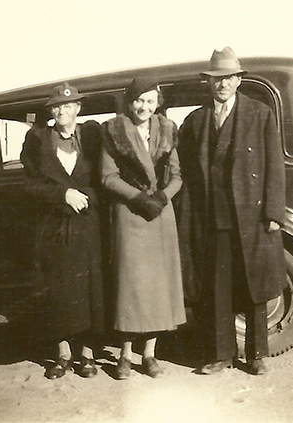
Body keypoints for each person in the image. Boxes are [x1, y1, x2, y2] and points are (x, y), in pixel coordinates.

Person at [177, 47, 287, 375]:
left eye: (228, 78)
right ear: (208, 84)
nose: (222, 84)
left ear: (238, 80)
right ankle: (221, 354)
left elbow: (274, 167)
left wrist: (272, 213)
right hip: (211, 216)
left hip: (252, 216)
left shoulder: (260, 114)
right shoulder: (194, 121)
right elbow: (183, 171)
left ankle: (256, 355)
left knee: (253, 286)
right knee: (216, 288)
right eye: (216, 79)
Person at [100, 77, 186, 379]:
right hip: (129, 214)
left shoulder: (167, 130)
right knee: (130, 285)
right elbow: (107, 177)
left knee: (157, 287)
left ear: (157, 102)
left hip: (160, 215)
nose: (144, 107)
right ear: (129, 101)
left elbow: (177, 175)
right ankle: (125, 354)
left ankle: (149, 354)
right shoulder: (114, 131)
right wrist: (138, 197)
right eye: (139, 100)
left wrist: (162, 197)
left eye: (150, 101)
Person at [20, 82, 104, 379]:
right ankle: (63, 353)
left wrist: (86, 198)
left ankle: (88, 354)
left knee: (89, 290)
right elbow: (29, 184)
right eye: (57, 106)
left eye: (68, 105)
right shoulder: (38, 139)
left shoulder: (92, 138)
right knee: (58, 291)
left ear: (78, 108)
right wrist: (62, 195)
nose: (62, 110)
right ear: (51, 111)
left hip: (86, 225)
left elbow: (102, 179)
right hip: (54, 227)